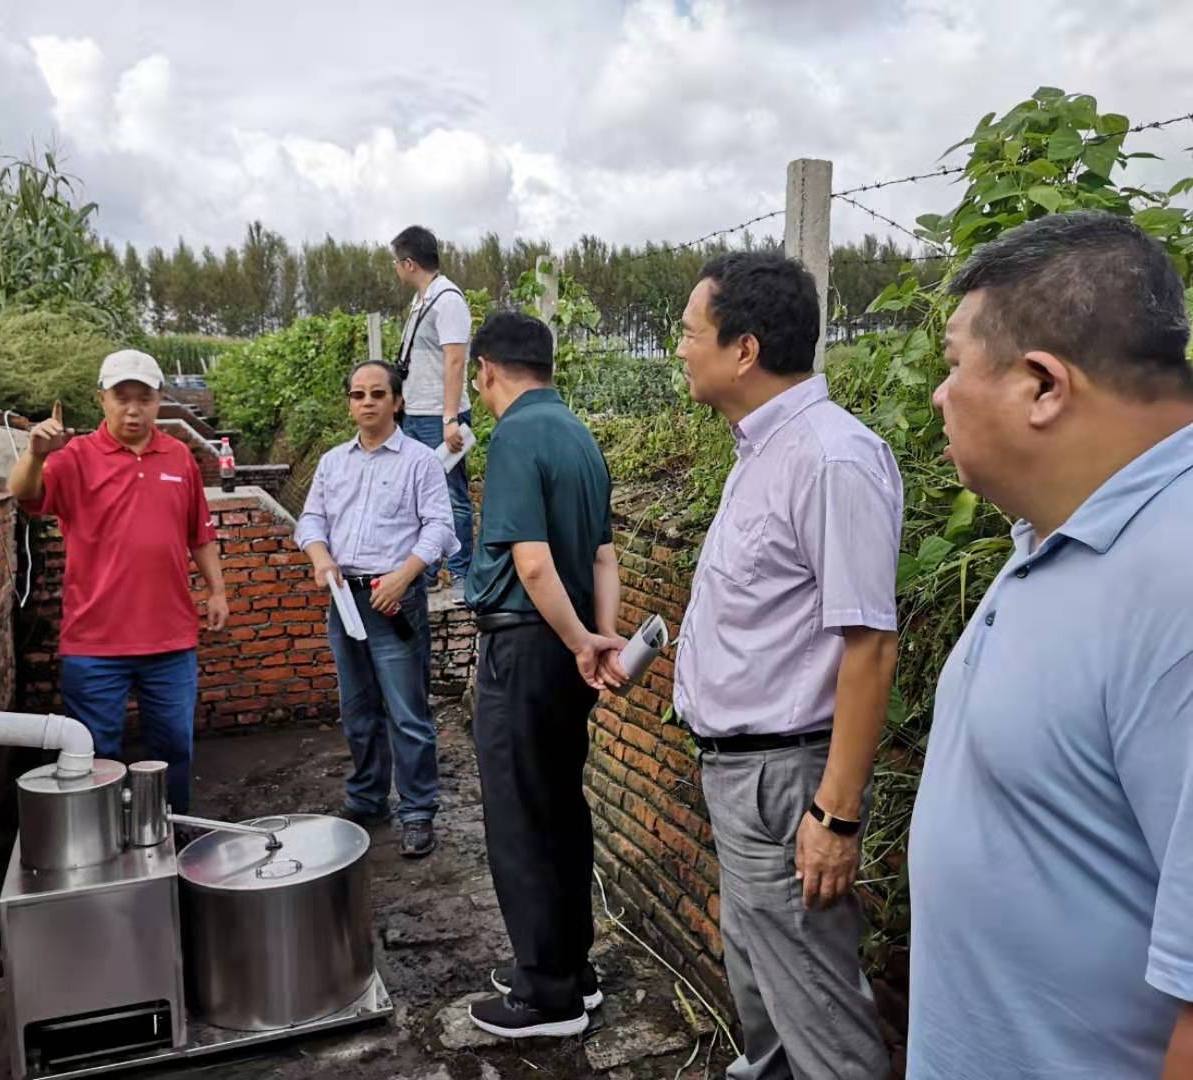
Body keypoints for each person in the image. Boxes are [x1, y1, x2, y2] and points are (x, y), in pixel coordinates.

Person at [908, 211, 1193, 1079]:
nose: (939, 395)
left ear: (1041, 385)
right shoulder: (1061, 534)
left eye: (954, 364)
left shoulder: (1177, 581)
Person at [672, 252, 902, 1080]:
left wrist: (834, 816)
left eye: (690, 332)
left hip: (786, 779)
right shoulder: (763, 449)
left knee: (815, 1008)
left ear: (744, 349)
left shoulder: (831, 459)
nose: (679, 349)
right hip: (743, 774)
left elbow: (870, 644)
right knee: (762, 989)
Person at [462, 311, 626, 1040]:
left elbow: (531, 563)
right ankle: (570, 966)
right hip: (566, 649)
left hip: (528, 645)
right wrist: (599, 636)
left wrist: (580, 638)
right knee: (559, 805)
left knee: (521, 817)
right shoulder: (578, 435)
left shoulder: (516, 435)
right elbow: (603, 557)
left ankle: (546, 993)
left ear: (485, 370)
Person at [8, 349, 229, 815]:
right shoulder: (74, 458)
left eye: (144, 399)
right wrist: (35, 455)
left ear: (159, 401)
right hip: (95, 643)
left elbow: (200, 533)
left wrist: (217, 591)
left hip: (170, 640)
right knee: (94, 756)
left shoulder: (179, 457)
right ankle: (103, 842)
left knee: (173, 749)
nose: (133, 410)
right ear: (101, 400)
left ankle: (170, 829)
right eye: (121, 398)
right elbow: (24, 493)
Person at [294, 360, 457, 858]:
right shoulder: (333, 463)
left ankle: (418, 811)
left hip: (394, 602)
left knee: (407, 713)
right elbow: (311, 518)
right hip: (346, 600)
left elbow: (440, 528)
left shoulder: (420, 461)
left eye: (377, 394)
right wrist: (320, 556)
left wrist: (404, 576)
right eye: (358, 394)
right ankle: (367, 799)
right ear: (350, 403)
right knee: (357, 709)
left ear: (397, 402)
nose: (367, 402)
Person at [392, 224, 475, 602]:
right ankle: (425, 573)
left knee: (452, 495)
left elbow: (455, 360)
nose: (396, 269)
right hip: (416, 413)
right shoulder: (421, 301)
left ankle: (460, 573)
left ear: (409, 263)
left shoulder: (448, 300)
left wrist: (450, 418)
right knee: (419, 497)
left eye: (397, 262)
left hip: (439, 417)